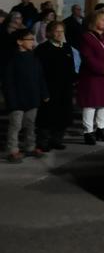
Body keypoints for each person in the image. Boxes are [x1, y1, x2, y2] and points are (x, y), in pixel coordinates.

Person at [4, 29, 49, 163]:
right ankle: (12, 150)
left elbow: (40, 77)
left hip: (32, 98)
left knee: (30, 124)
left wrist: (44, 93)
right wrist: (11, 100)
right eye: (29, 39)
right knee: (15, 126)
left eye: (32, 39)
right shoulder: (11, 59)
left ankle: (30, 147)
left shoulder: (34, 57)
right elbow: (8, 82)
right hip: (17, 99)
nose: (32, 42)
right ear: (19, 42)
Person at [77, 11, 104, 145]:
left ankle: (102, 130)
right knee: (90, 104)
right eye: (102, 20)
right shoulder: (86, 37)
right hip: (93, 77)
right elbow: (88, 57)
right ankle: (88, 132)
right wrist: (103, 70)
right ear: (93, 22)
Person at [35, 21, 77, 152]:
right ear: (49, 33)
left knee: (63, 114)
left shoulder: (67, 47)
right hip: (49, 88)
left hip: (65, 88)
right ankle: (43, 142)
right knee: (47, 116)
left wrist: (73, 81)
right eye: (57, 31)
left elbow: (71, 67)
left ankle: (57, 140)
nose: (60, 34)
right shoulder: (42, 49)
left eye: (61, 31)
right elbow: (39, 71)